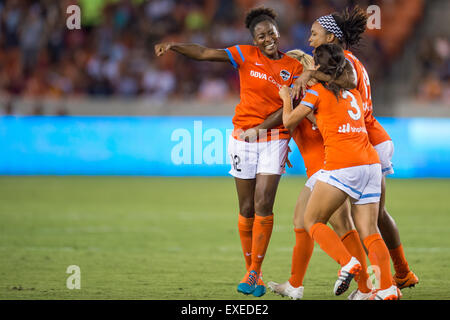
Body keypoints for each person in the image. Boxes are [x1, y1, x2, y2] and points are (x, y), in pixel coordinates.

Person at [155, 7, 304, 297]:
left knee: (263, 203)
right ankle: (252, 272)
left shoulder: (293, 67)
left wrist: (260, 129)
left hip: (274, 137)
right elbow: (205, 53)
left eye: (270, 33)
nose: (267, 38)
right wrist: (174, 46)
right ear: (254, 39)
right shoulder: (244, 54)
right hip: (241, 138)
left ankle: (254, 272)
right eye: (261, 35)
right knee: (246, 208)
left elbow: (286, 107)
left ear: (278, 33)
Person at [295, 6, 418, 292]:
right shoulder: (351, 62)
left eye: (314, 34)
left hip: (363, 142)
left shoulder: (343, 66)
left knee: (355, 223)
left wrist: (308, 78)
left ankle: (374, 286)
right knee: (373, 219)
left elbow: (345, 91)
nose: (309, 40)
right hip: (371, 139)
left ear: (331, 37)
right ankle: (396, 275)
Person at [281, 43, 399, 300]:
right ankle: (387, 288)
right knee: (369, 230)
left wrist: (285, 98)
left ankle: (347, 264)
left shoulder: (315, 93)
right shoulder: (352, 91)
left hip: (342, 165)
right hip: (370, 164)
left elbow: (289, 120)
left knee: (311, 221)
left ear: (319, 68)